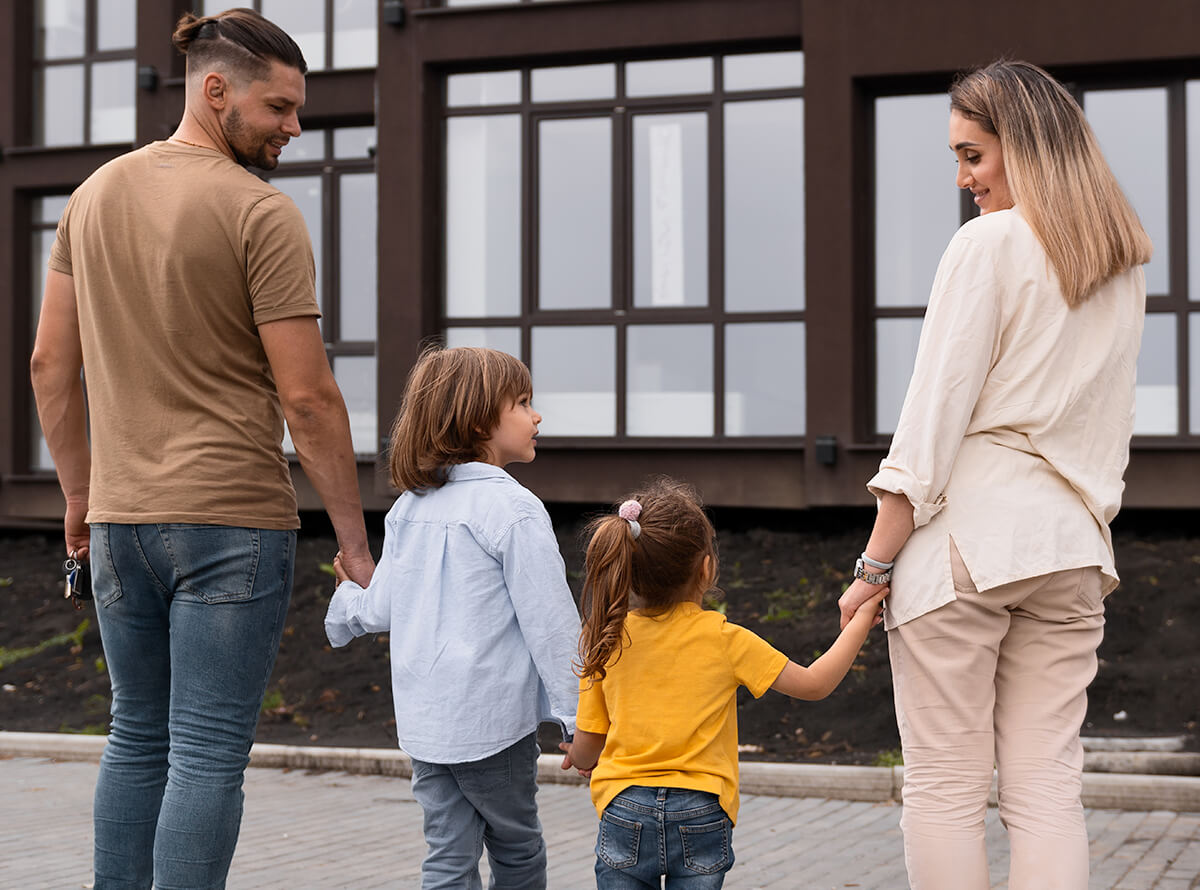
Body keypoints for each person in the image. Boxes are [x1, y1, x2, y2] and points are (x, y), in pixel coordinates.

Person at [29, 8, 375, 889]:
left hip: (117, 521)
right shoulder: (261, 214)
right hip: (229, 522)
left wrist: (78, 496)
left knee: (135, 734)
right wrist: (354, 540)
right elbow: (307, 394)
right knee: (208, 752)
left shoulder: (92, 196)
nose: (295, 127)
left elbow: (47, 365)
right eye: (280, 108)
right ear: (215, 90)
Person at [836, 60, 1152, 890]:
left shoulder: (987, 245)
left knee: (944, 785)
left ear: (1026, 145)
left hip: (969, 544)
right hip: (1073, 545)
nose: (962, 178)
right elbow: (1108, 423)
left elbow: (931, 421)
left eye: (973, 155)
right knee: (1049, 786)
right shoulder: (1122, 265)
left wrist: (873, 565)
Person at [324, 345, 580, 890]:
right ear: (481, 418)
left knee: (447, 857)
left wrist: (347, 599)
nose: (537, 416)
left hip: (427, 727)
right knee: (517, 849)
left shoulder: (408, 509)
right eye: (524, 402)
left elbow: (381, 608)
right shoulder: (513, 509)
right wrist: (581, 718)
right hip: (493, 725)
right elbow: (551, 623)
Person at [559, 478, 886, 889]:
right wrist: (859, 623)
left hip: (625, 808)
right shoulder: (724, 638)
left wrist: (581, 757)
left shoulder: (605, 637)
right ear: (706, 568)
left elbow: (590, 743)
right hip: (701, 810)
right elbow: (816, 683)